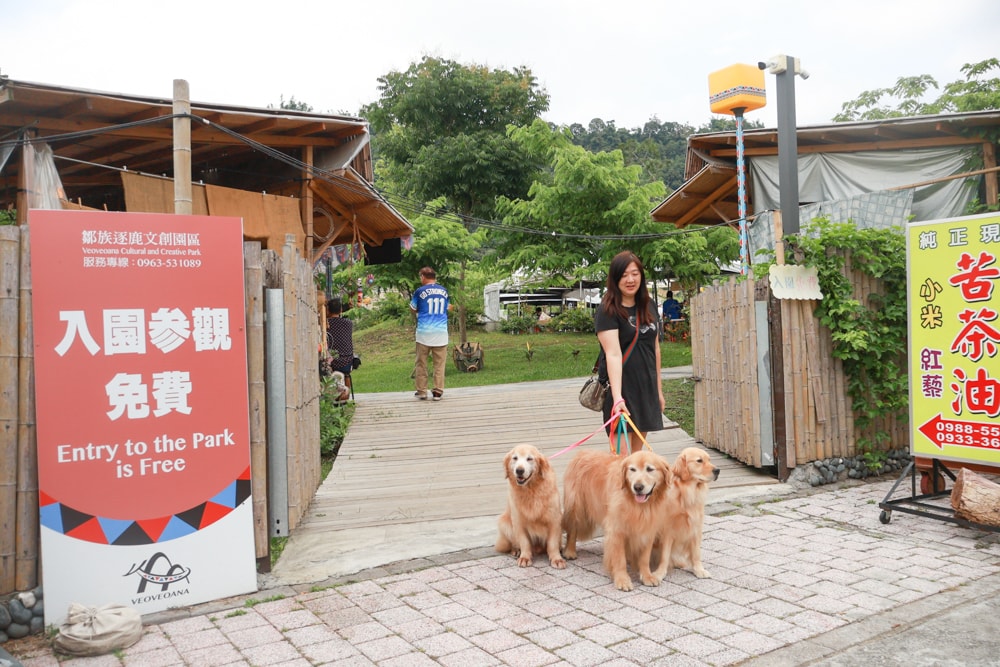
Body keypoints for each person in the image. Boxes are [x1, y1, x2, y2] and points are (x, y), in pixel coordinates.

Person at [595, 251, 664, 454]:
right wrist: (617, 398)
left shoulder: (649, 306)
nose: (630, 279)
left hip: (646, 388)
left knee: (637, 462)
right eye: (624, 275)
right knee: (620, 462)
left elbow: (655, 349)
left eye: (635, 273)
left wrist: (658, 391)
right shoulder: (608, 310)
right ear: (615, 279)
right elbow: (613, 354)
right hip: (622, 390)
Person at [410, 266, 450, 401]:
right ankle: (438, 391)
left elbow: (412, 308)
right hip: (441, 334)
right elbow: (447, 307)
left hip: (423, 333)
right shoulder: (444, 291)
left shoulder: (419, 291)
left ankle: (422, 391)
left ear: (422, 276)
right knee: (439, 364)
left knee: (421, 363)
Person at [325, 297, 355, 393]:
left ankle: (332, 395)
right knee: (346, 374)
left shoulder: (326, 324)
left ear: (328, 310)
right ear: (341, 310)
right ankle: (347, 395)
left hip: (332, 362)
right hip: (347, 361)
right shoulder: (349, 323)